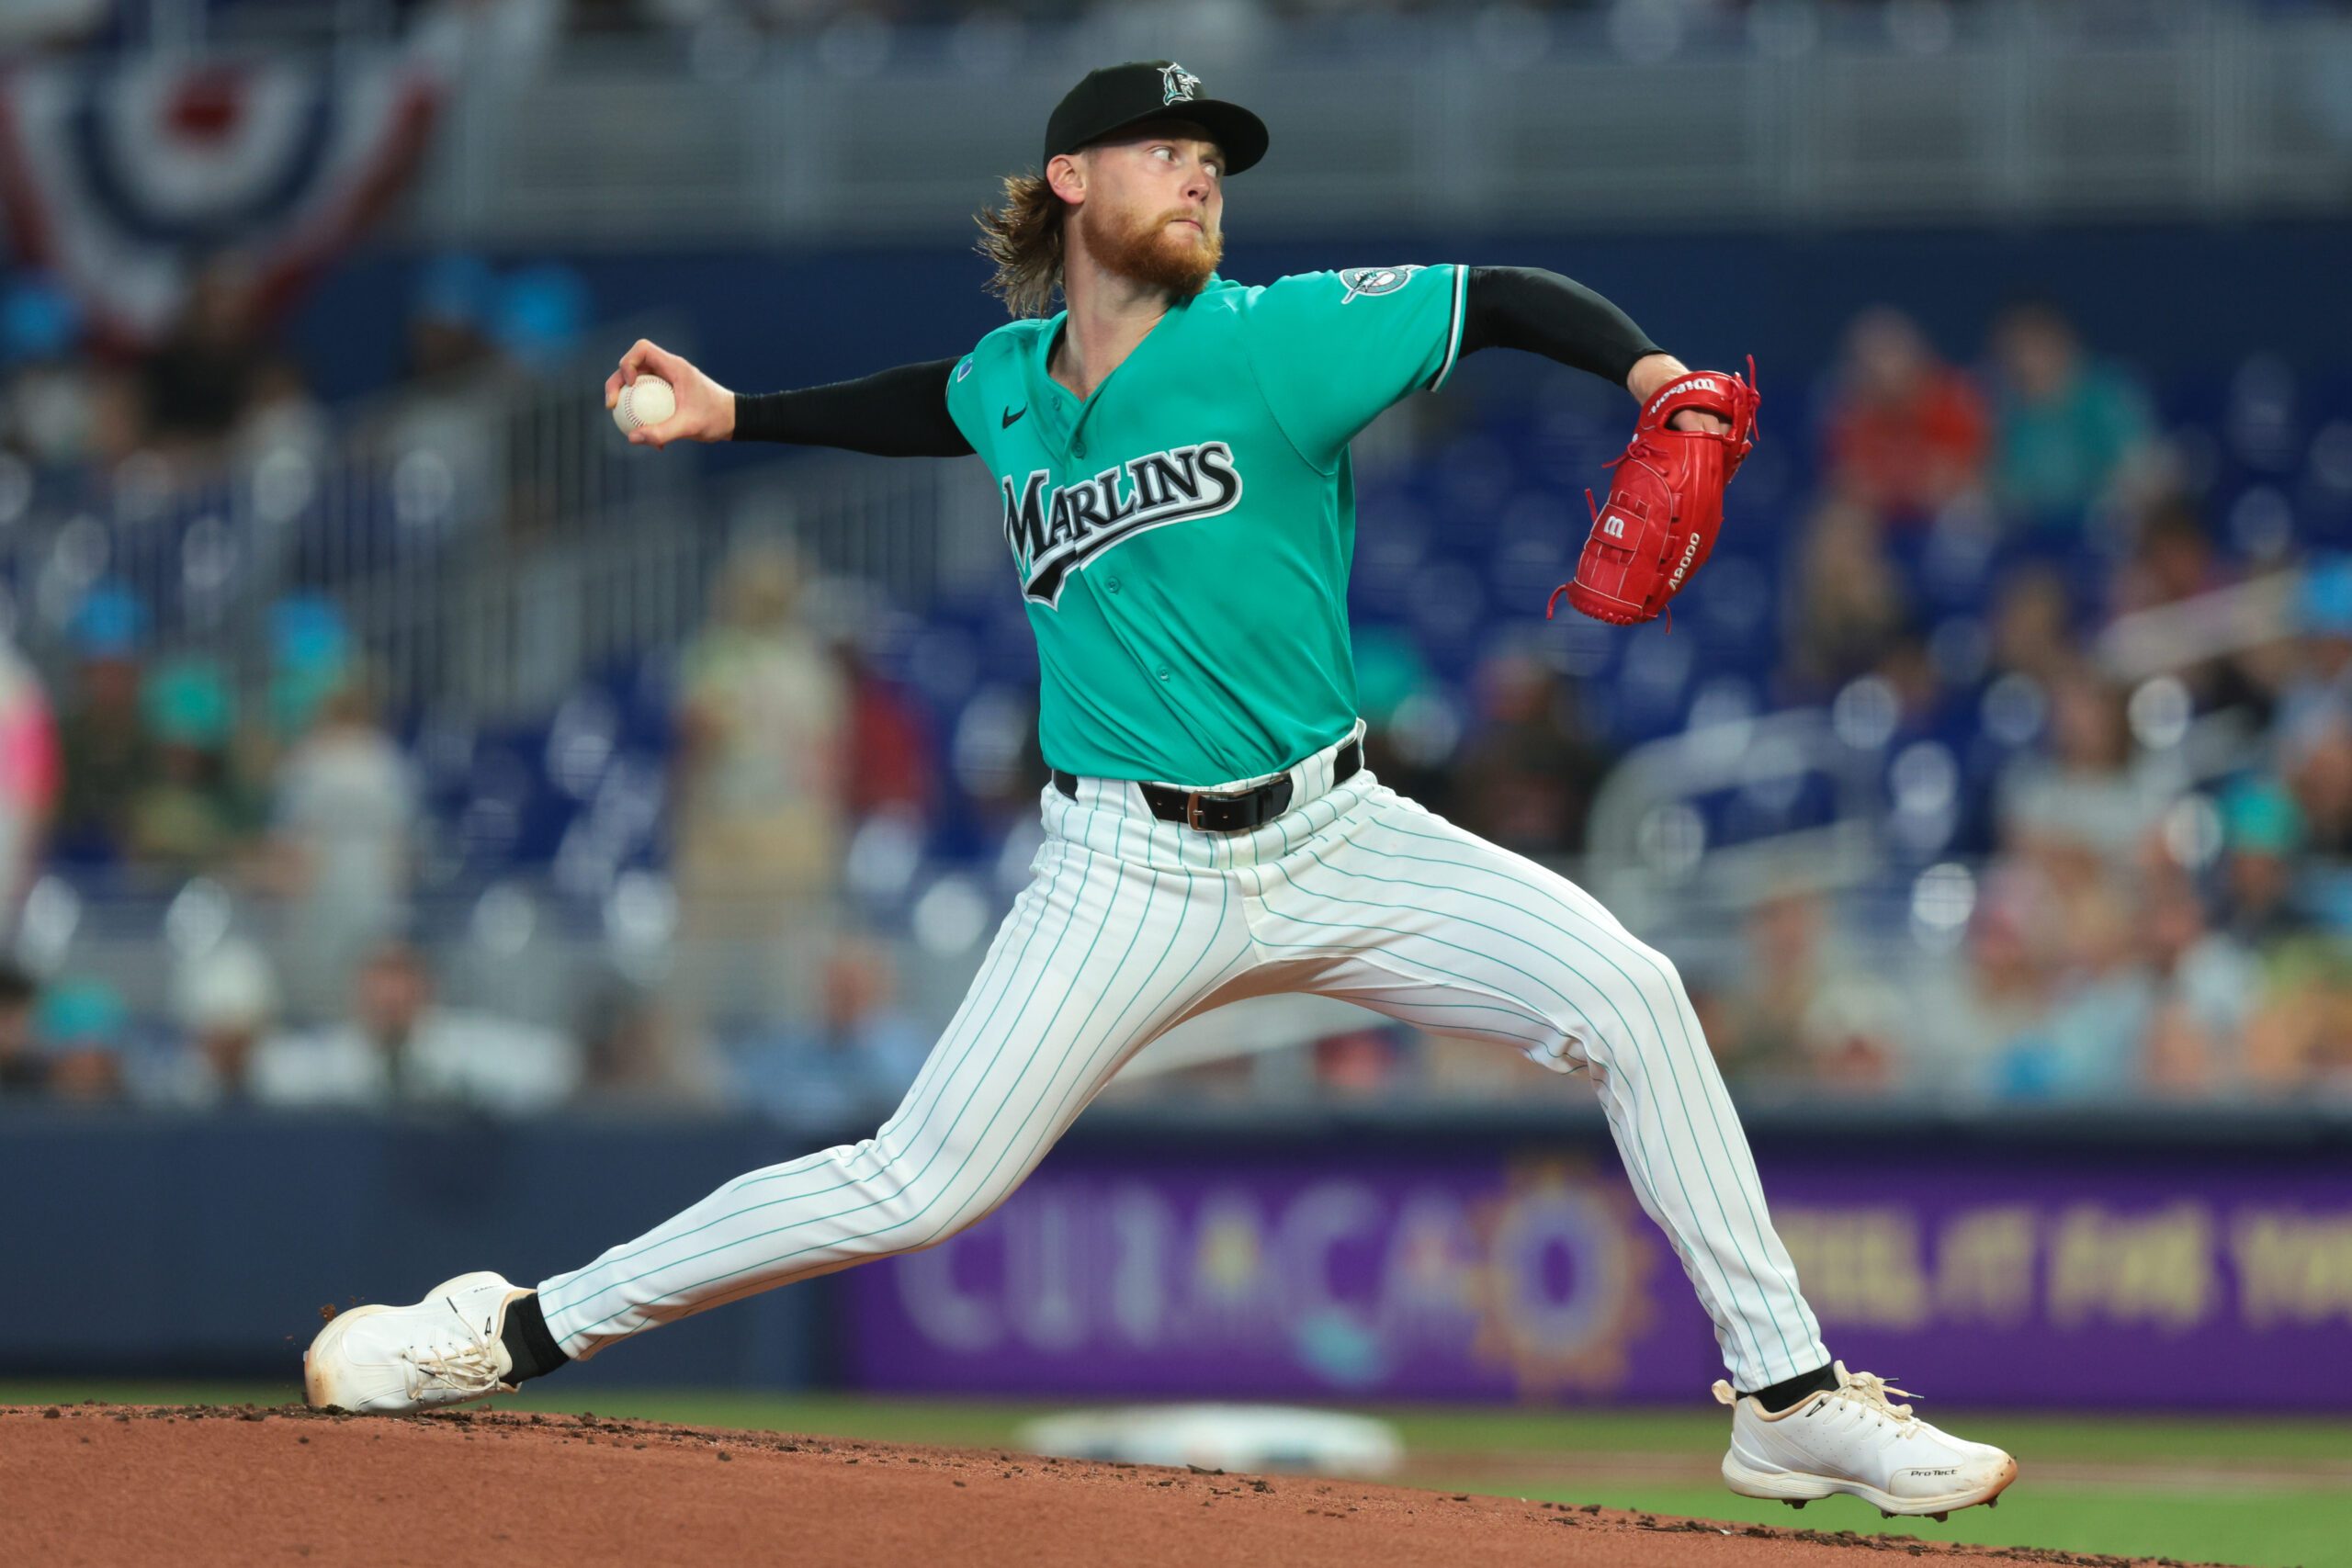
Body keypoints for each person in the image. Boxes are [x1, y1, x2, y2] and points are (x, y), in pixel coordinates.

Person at [306, 61, 2016, 1522]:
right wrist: (735, 412)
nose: (1204, 176)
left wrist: (1648, 378)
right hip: (1123, 864)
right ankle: (509, 1326)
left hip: (1343, 831)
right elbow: (934, 404)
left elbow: (1494, 294)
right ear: (1072, 179)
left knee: (1637, 997)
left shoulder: (1275, 342)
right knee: (921, 1185)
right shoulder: (1007, 384)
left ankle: (1785, 1400)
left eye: (1218, 165)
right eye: (1171, 152)